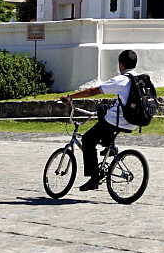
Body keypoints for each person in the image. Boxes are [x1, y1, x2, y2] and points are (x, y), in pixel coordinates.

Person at [60, 49, 139, 191]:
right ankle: (109, 144)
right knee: (102, 108)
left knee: (88, 140)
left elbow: (93, 91)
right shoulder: (140, 79)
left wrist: (71, 97)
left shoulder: (121, 80)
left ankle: (94, 178)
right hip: (134, 120)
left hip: (118, 120)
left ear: (120, 64)